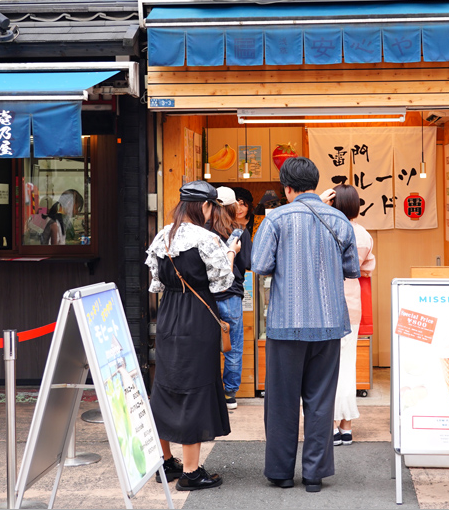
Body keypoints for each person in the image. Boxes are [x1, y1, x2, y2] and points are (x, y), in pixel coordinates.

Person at [251, 157, 360, 493]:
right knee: (320, 400)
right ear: (314, 183)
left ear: (287, 187)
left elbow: (259, 265)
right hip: (329, 324)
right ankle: (314, 475)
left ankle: (281, 473)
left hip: (286, 324)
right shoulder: (339, 220)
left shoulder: (277, 219)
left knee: (282, 401)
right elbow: (352, 268)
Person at [145, 181, 242, 491]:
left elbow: (156, 283)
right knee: (194, 387)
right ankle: (191, 471)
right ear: (204, 206)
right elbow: (222, 283)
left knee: (166, 386)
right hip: (197, 319)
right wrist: (230, 254)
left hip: (168, 316)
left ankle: (166, 461)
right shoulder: (206, 238)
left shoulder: (162, 236)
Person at [322, 185, 375, 447]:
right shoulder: (364, 235)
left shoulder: (326, 229)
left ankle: (330, 424)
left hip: (325, 306)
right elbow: (367, 269)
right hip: (352, 305)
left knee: (326, 367)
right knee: (348, 364)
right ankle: (347, 426)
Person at [212, 186, 252, 410]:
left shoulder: (205, 232)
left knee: (208, 343)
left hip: (208, 296)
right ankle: (229, 394)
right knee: (233, 346)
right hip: (232, 296)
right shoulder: (240, 232)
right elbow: (247, 263)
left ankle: (209, 389)